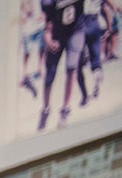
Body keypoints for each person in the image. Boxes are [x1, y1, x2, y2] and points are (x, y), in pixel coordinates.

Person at [40, 0, 89, 129]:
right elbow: (47, 23)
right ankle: (45, 109)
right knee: (50, 73)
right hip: (57, 33)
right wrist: (49, 40)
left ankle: (65, 109)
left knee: (72, 68)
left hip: (76, 30)